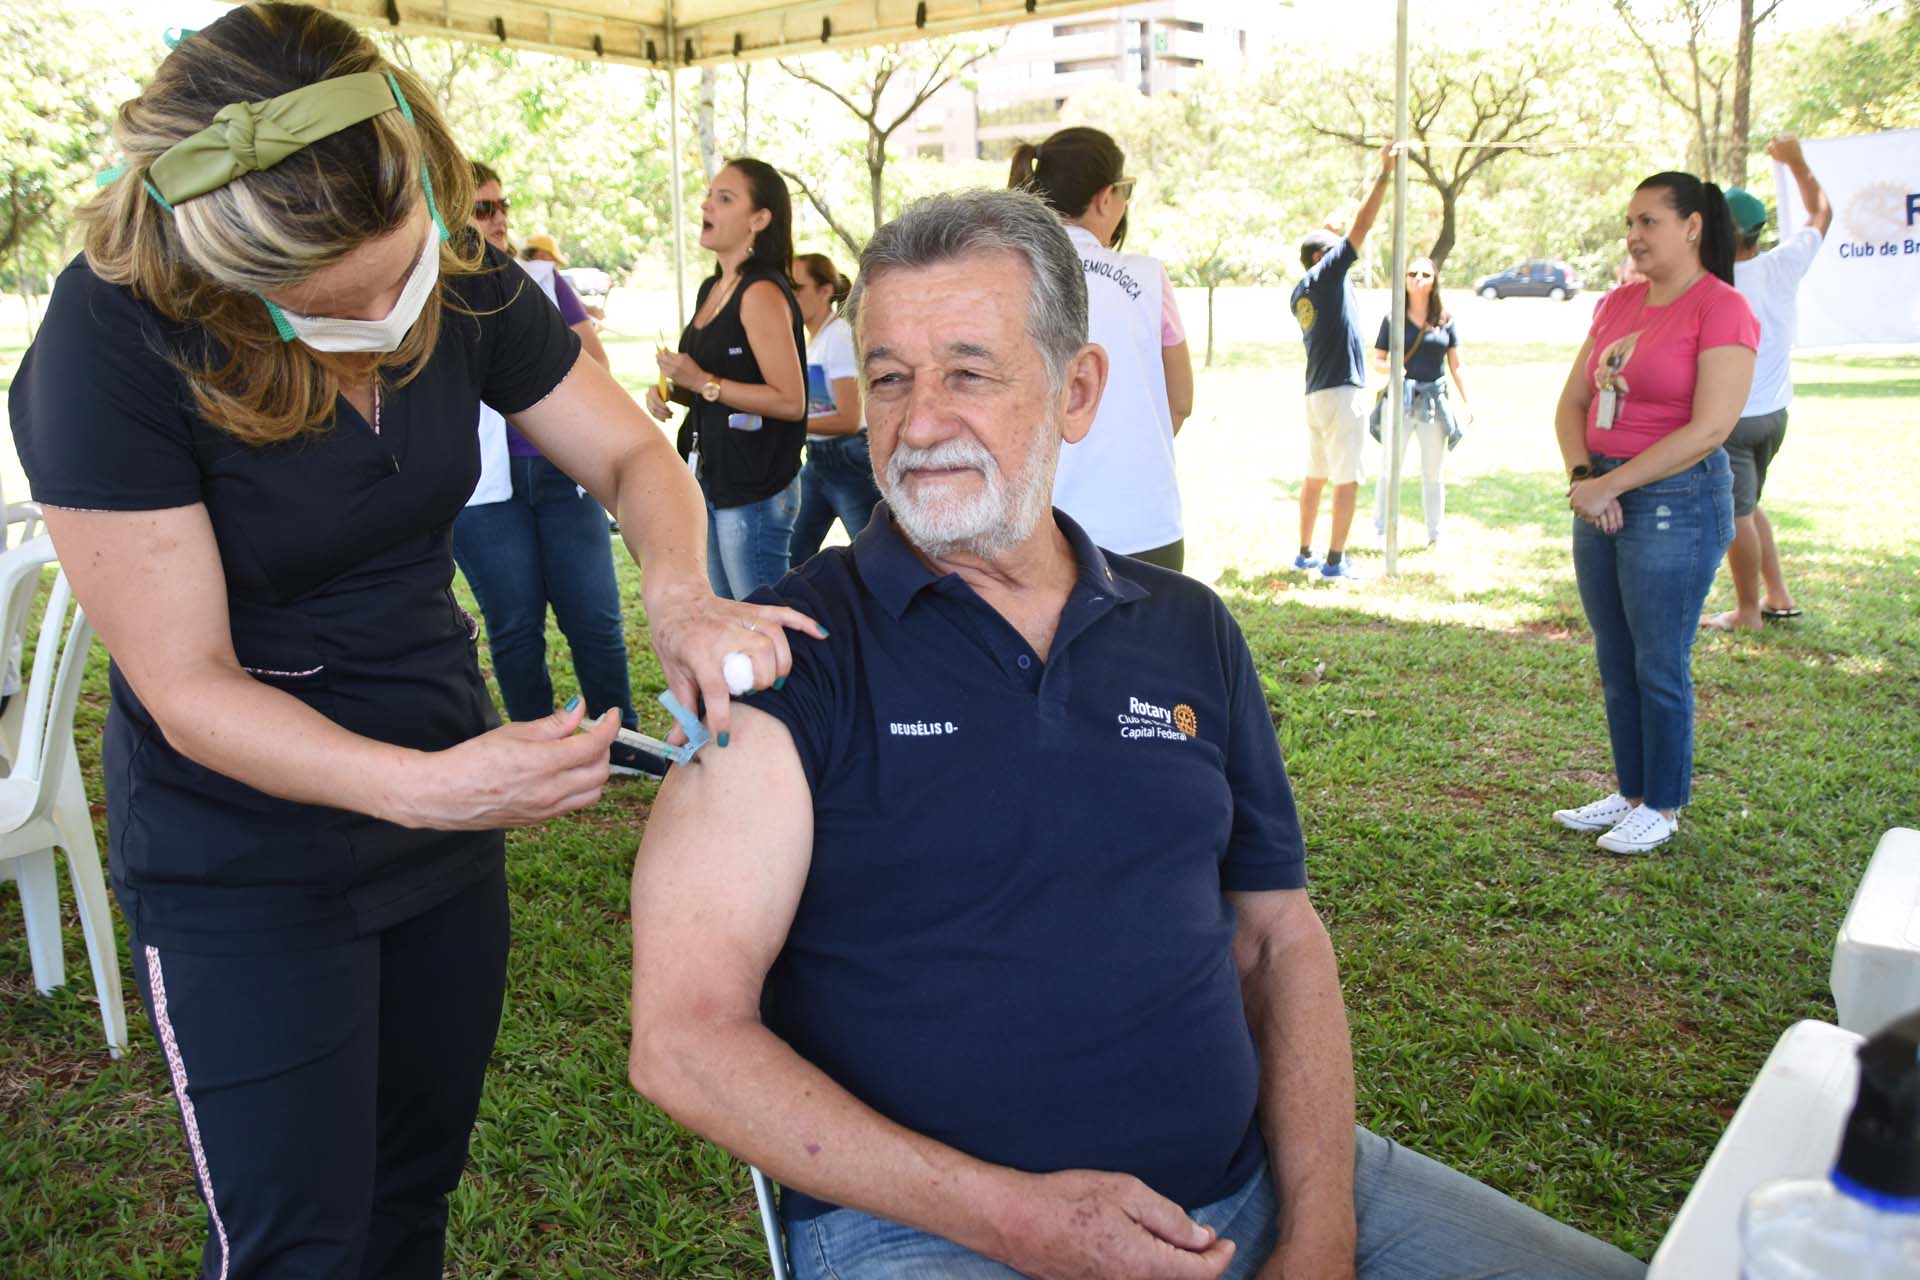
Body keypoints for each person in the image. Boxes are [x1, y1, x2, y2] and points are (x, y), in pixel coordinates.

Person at [627, 188, 1648, 1280]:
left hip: (1254, 1181)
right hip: (934, 1225)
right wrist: (1017, 1218)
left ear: (1077, 389)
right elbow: (684, 1036)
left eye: (969, 372)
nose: (919, 423)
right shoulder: (793, 653)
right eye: (887, 378)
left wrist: (1319, 1230)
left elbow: (1276, 934)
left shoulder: (1186, 627)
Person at [6, 7, 816, 1276]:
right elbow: (183, 683)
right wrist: (426, 787)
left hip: (443, 813)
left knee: (411, 1193)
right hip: (248, 858)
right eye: (347, 303)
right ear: (228, 273)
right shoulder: (110, 344)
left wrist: (677, 591)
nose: (401, 310)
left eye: (408, 265)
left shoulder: (456, 269)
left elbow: (624, 450)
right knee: (301, 1247)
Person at [1551, 172, 1757, 855]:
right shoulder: (1617, 304)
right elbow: (1572, 403)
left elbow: (1709, 428)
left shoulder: (1721, 308)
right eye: (1630, 224)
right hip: (1602, 492)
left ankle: (1663, 805)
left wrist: (1618, 486)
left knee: (1658, 661)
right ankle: (1630, 790)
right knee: (1616, 656)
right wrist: (1586, 478)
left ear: (1692, 225)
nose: (1634, 236)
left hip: (1677, 501)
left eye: (1649, 222)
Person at [455, 162, 653, 774]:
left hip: (561, 471)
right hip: (482, 488)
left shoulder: (540, 279)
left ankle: (623, 747)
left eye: (501, 205)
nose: (498, 218)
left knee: (593, 616)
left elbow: (594, 367)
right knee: (514, 628)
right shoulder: (422, 294)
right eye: (482, 208)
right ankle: (538, 753)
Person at [1010, 125, 1194, 571]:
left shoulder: (1007, 277)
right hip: (1146, 525)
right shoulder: (1149, 278)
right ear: (1104, 197)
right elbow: (1181, 401)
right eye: (1124, 190)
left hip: (1036, 531)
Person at [647, 158, 808, 600]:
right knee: (727, 615)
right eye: (709, 195)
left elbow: (790, 401)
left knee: (759, 622)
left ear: (759, 219)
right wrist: (671, 390)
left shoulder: (761, 292)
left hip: (754, 486)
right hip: (710, 480)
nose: (706, 205)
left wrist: (701, 382)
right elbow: (714, 387)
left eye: (725, 198)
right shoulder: (712, 288)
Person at [1703, 135, 1830, 632]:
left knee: (1735, 514)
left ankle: (1748, 612)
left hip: (1732, 418)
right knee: (1750, 505)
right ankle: (1777, 594)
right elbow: (1820, 213)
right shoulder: (1783, 264)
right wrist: (1797, 164)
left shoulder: (1714, 282)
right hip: (1776, 413)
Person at [1293, 143, 1396, 580]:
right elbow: (1364, 224)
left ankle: (1304, 552)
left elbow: (1328, 241)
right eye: (1335, 249)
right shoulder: (1329, 271)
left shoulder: (1301, 290)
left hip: (1316, 393)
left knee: (1315, 475)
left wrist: (1326, 232)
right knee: (1347, 477)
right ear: (1323, 257)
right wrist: (1385, 173)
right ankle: (1335, 560)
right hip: (1343, 390)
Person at [1370, 256, 1474, 548]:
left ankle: (1435, 533)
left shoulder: (1445, 320)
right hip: (1399, 400)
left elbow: (1456, 365)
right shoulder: (1394, 319)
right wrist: (1391, 366)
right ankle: (1381, 530)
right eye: (1412, 273)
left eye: (1425, 274)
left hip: (1433, 403)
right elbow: (1377, 359)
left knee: (1433, 471)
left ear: (1434, 280)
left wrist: (1468, 402)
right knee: (1390, 467)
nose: (1417, 279)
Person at [787, 252, 881, 563]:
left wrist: (787, 422)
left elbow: (849, 418)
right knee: (792, 554)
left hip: (846, 459)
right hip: (817, 459)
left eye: (796, 287)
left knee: (877, 558)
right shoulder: (815, 338)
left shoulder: (838, 335)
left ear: (825, 291)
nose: (788, 296)